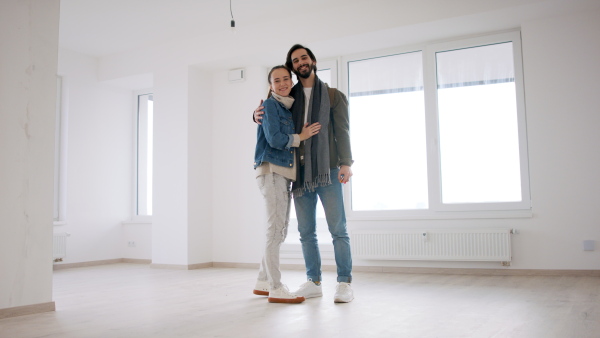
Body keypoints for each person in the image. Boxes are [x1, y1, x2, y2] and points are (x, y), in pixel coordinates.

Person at [254, 44, 354, 303]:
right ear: (292, 67)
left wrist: (346, 163)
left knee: (337, 229)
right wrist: (254, 115)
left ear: (312, 61)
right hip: (299, 173)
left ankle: (344, 283)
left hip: (328, 170)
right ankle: (314, 281)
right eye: (295, 60)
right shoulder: (290, 96)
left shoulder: (333, 96)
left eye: (304, 58)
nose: (300, 63)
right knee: (306, 231)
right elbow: (270, 114)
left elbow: (342, 131)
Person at [253, 65, 322, 304]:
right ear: (270, 85)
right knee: (275, 231)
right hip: (272, 170)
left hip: (282, 173)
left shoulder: (286, 106)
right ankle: (275, 286)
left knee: (279, 230)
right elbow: (274, 139)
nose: (282, 83)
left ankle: (263, 281)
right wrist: (300, 137)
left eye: (285, 79)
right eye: (276, 80)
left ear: (291, 81)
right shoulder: (271, 105)